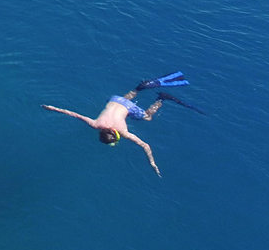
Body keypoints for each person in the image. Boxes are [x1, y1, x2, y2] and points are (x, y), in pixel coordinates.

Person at [42, 72, 203, 176]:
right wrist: (52, 108)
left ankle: (161, 98)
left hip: (127, 106)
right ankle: (140, 88)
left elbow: (145, 145)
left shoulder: (122, 131)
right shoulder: (96, 123)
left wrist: (153, 163)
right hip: (116, 98)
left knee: (147, 117)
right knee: (125, 100)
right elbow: (72, 113)